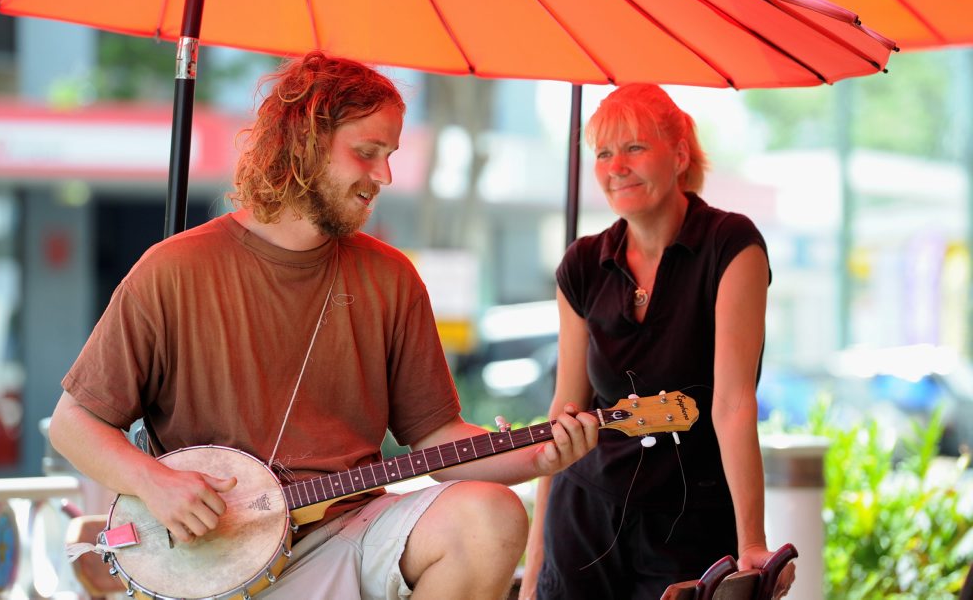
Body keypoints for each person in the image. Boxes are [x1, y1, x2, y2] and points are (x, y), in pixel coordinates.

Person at [49, 51, 599, 600]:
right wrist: (157, 484)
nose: (383, 175)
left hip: (348, 532)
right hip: (211, 556)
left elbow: (438, 438)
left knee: (489, 517)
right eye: (367, 153)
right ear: (305, 144)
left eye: (389, 155)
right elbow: (73, 423)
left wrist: (537, 455)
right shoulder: (172, 269)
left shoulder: (391, 277)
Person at [518, 84, 793, 600]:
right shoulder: (580, 265)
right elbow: (566, 410)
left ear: (680, 154)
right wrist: (535, 568)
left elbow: (733, 404)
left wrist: (751, 542)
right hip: (584, 514)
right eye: (602, 152)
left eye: (634, 147)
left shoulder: (731, 245)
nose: (615, 166)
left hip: (689, 521)